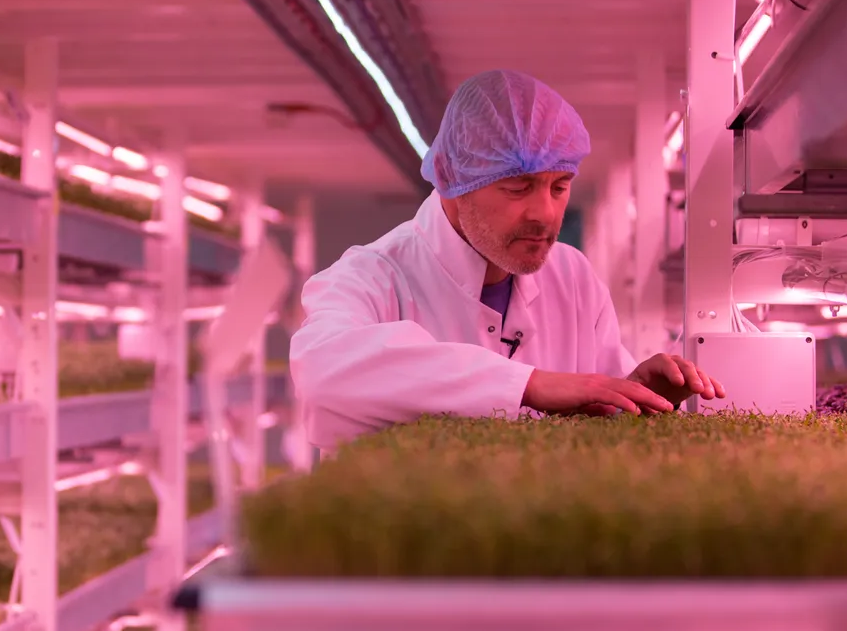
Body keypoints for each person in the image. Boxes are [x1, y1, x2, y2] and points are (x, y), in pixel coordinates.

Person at [289, 69, 726, 450]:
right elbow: (322, 371)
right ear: (450, 180)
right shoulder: (373, 275)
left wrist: (631, 396)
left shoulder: (572, 277)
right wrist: (528, 386)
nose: (545, 214)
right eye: (518, 186)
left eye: (559, 186)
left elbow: (594, 419)